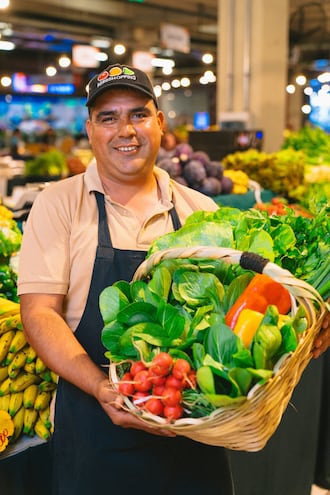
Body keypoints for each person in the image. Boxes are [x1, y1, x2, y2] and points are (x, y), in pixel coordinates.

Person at [17, 63, 329, 495]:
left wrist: (301, 325)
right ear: (90, 129)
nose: (125, 129)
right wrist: (102, 387)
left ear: (160, 123)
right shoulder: (59, 205)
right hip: (96, 433)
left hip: (194, 434)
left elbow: (241, 315)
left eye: (138, 115)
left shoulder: (201, 209)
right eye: (108, 117)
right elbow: (39, 314)